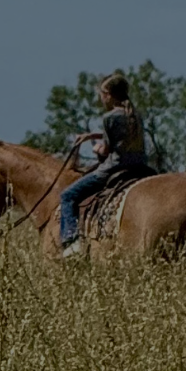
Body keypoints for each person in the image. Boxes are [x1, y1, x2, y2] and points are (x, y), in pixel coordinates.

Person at [58, 73, 151, 258]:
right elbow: (124, 136)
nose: (101, 98)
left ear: (108, 95)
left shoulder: (109, 117)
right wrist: (92, 136)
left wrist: (98, 148)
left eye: (102, 93)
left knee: (68, 196)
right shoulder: (135, 114)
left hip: (113, 169)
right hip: (140, 167)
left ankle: (71, 240)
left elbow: (107, 150)